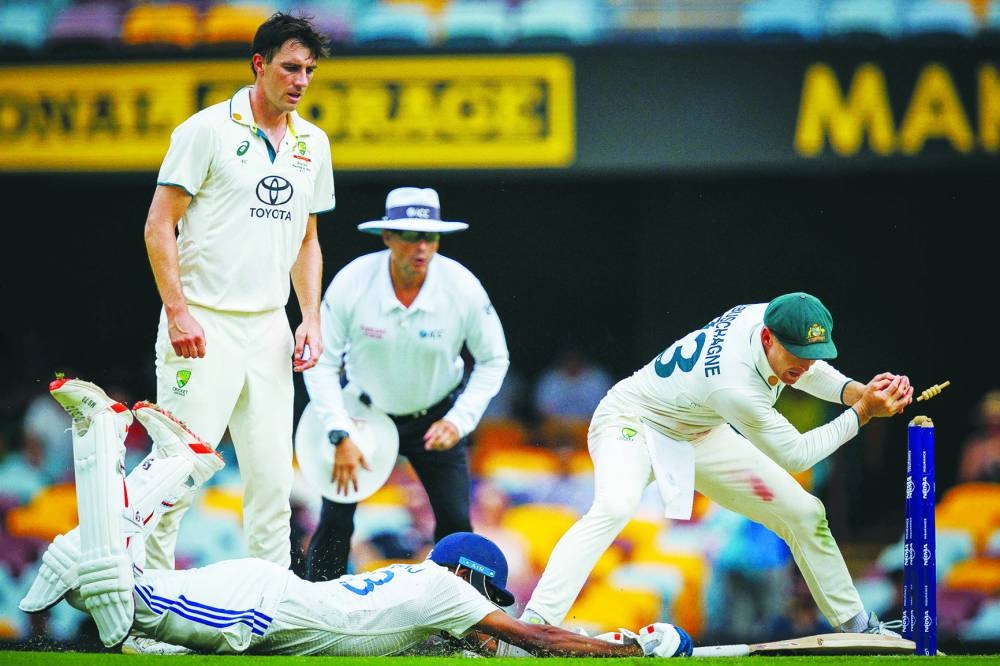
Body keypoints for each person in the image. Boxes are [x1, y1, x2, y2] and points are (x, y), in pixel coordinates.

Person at [20, 378, 692, 658]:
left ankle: (175, 468)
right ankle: (119, 448)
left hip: (268, 602)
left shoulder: (429, 603)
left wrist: (622, 638)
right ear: (469, 577)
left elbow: (512, 645)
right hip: (261, 610)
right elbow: (535, 642)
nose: (489, 611)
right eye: (490, 595)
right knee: (115, 595)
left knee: (120, 591)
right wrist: (630, 650)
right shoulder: (447, 592)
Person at [519, 292, 915, 638]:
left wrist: (853, 391)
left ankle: (856, 625)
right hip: (632, 421)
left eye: (815, 354)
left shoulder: (771, 320)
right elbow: (797, 454)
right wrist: (862, 412)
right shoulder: (734, 383)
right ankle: (535, 622)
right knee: (615, 506)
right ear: (767, 338)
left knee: (805, 511)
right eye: (799, 355)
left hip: (700, 430)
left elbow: (806, 369)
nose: (807, 365)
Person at [141, 12, 334, 573]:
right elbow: (159, 226)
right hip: (202, 322)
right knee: (176, 475)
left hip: (269, 327)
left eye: (309, 71)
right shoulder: (205, 130)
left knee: (273, 481)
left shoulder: (312, 144)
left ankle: (268, 612)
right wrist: (177, 313)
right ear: (259, 64)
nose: (300, 81)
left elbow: (308, 241)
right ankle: (143, 614)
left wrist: (311, 320)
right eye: (290, 68)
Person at [302, 186, 509, 581]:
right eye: (411, 236)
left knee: (456, 524)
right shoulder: (353, 282)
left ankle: (455, 625)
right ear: (387, 238)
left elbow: (494, 359)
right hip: (362, 417)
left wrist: (459, 421)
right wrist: (337, 432)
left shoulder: (462, 287)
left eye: (429, 237)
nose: (422, 247)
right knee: (336, 519)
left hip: (435, 419)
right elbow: (321, 360)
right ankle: (315, 610)